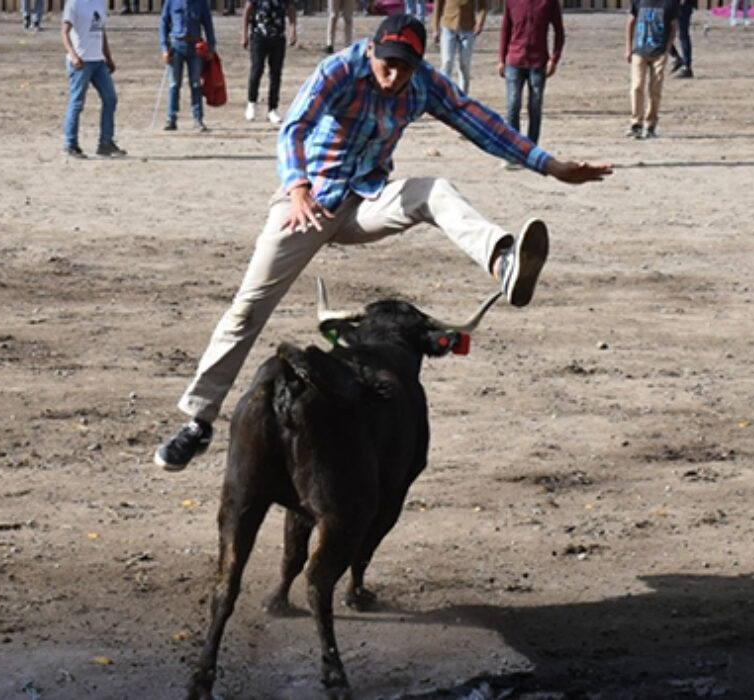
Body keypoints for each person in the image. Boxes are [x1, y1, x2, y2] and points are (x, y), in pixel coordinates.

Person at [153, 15, 614, 471]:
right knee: (248, 307)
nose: (394, 79)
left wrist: (550, 166)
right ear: (371, 51)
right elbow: (293, 127)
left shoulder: (423, 84)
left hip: (368, 200)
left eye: (405, 69)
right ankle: (198, 420)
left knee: (434, 190)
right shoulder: (338, 70)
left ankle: (503, 261)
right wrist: (296, 189)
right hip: (309, 202)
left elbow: (480, 123)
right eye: (387, 66)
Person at [62, 0, 124, 158]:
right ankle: (70, 144)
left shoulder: (99, 3)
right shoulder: (74, 3)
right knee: (77, 102)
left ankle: (105, 142)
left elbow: (101, 32)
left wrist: (108, 58)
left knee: (110, 98)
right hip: (81, 62)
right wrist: (73, 55)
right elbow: (64, 32)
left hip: (98, 61)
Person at [498, 0, 562, 146]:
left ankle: (531, 148)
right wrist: (501, 59)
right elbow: (505, 30)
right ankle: (514, 147)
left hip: (538, 62)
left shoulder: (548, 3)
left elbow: (559, 31)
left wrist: (554, 58)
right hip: (514, 60)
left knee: (535, 106)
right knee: (513, 104)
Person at [159, 0, 216, 132]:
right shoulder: (171, 1)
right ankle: (171, 118)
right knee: (174, 84)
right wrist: (164, 48)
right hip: (176, 45)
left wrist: (211, 48)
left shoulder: (201, 3)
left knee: (195, 83)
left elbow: (208, 25)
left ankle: (198, 119)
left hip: (195, 47)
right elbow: (163, 23)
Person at [240, 0, 296, 123]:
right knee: (257, 69)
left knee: (276, 74)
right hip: (259, 35)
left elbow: (290, 7)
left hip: (278, 36)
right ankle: (252, 102)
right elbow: (247, 10)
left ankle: (273, 108)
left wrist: (292, 29)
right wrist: (244, 34)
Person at [626, 0, 674, 139]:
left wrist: (667, 49)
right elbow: (631, 21)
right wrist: (629, 48)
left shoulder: (670, 3)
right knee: (636, 86)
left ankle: (651, 123)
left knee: (655, 89)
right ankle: (636, 122)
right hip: (639, 51)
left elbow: (673, 26)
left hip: (659, 51)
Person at [433, 0, 488, 93]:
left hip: (468, 28)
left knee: (464, 64)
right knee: (447, 62)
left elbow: (483, 5)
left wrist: (480, 23)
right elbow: (438, 5)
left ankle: (463, 95)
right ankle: (444, 94)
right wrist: (435, 28)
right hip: (448, 26)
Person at [666, 0, 692, 78]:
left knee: (683, 34)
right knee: (663, 33)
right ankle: (675, 57)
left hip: (682, 6)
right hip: (669, 4)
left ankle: (686, 67)